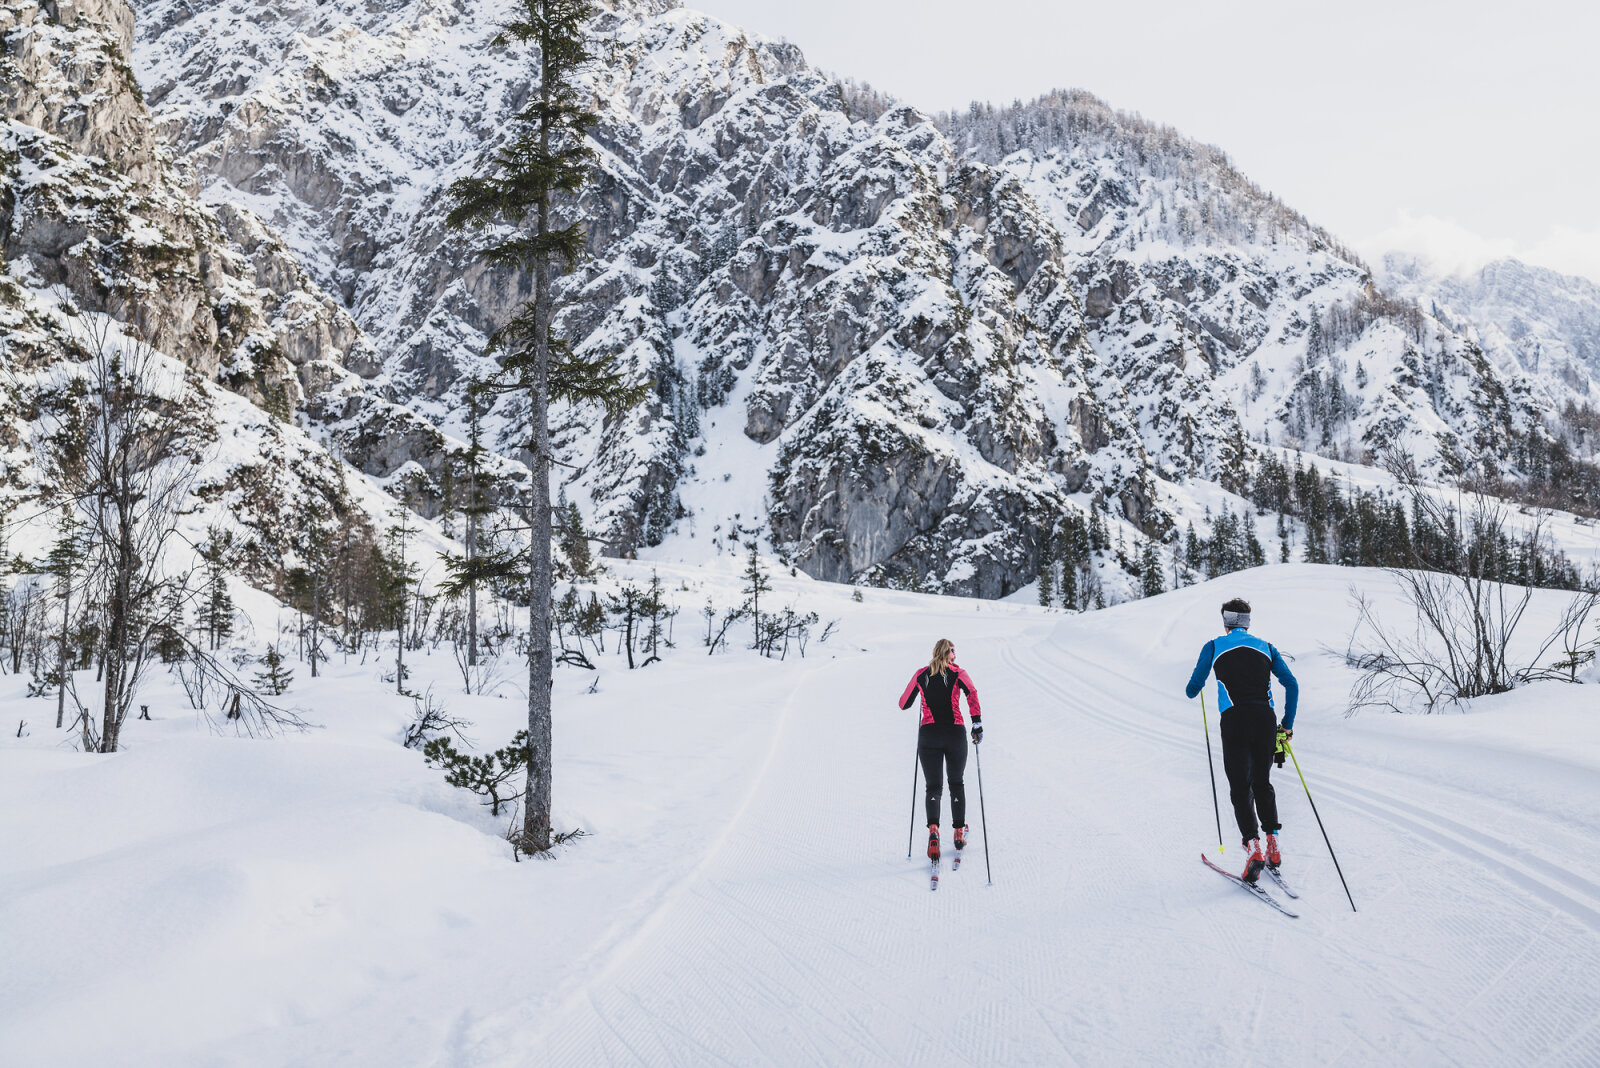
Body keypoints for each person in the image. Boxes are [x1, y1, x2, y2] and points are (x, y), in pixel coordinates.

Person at [1184, 597, 1298, 883]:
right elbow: (1292, 684)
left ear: (1225, 621)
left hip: (1234, 720)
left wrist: (1202, 681)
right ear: (1247, 622)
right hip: (1265, 720)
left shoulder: (1213, 646)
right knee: (1262, 782)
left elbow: (1192, 689)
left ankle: (1253, 848)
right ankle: (1273, 845)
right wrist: (1287, 725)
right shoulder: (1267, 647)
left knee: (1240, 786)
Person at [899, 638, 982, 863]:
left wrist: (921, 694)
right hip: (954, 733)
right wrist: (977, 723)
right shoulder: (959, 673)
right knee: (956, 782)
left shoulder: (921, 674)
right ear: (952, 654)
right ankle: (957, 833)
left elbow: (903, 703)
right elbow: (972, 693)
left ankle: (934, 831)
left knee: (933, 787)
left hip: (929, 734)